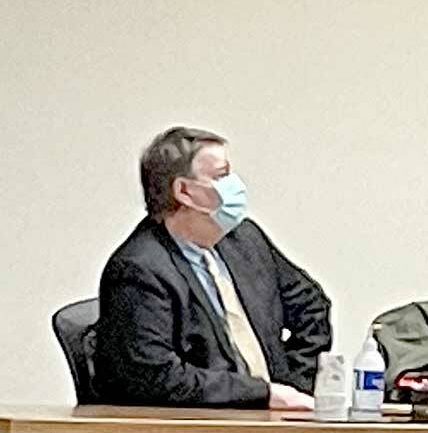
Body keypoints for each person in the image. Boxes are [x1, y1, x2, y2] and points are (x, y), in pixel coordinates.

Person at [96, 126, 330, 408]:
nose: (236, 186)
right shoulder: (138, 269)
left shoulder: (244, 240)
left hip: (271, 419)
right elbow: (156, 376)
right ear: (184, 191)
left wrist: (293, 386)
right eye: (221, 176)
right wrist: (261, 394)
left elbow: (311, 307)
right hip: (202, 423)